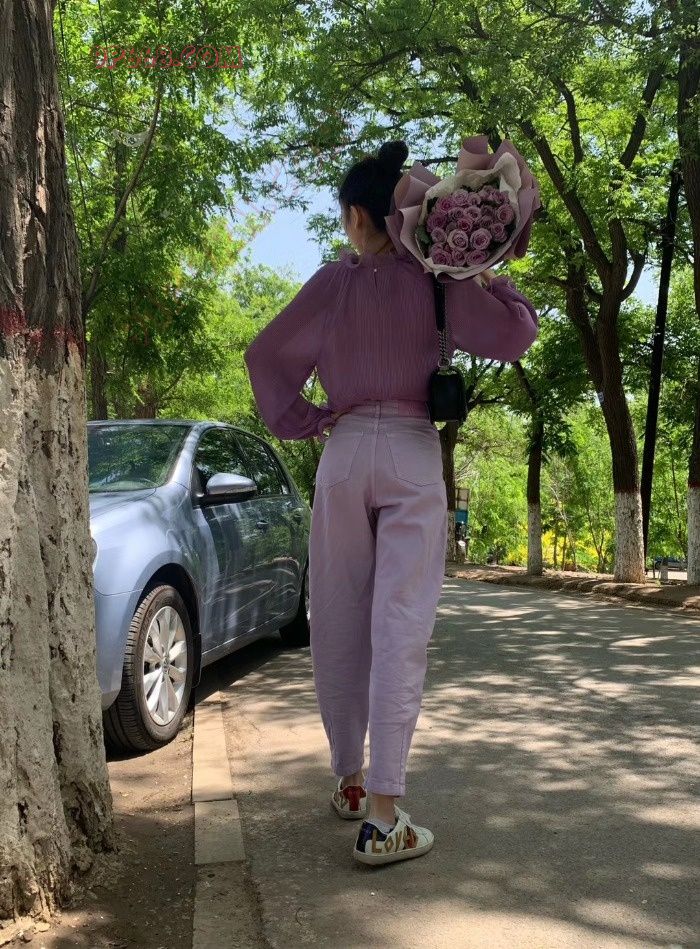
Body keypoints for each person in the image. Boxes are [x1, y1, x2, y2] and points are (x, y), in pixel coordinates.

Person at [243, 140, 538, 866]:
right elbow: (515, 336)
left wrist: (309, 419)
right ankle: (383, 814)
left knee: (337, 615)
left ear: (355, 216)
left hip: (345, 452)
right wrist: (485, 272)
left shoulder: (329, 285)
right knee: (400, 624)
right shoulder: (438, 283)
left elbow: (265, 355)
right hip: (412, 450)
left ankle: (348, 781)